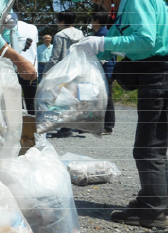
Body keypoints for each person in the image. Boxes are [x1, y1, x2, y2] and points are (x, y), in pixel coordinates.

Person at [72, 0, 168, 228]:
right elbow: (107, 47)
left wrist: (101, 43)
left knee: (147, 149)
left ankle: (152, 211)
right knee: (154, 145)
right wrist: (84, 50)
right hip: (162, 75)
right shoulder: (121, 12)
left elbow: (145, 40)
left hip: (164, 74)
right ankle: (162, 200)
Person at [45, 10, 84, 138]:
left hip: (63, 71)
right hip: (77, 69)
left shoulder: (60, 35)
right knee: (73, 97)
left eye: (57, 21)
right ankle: (73, 124)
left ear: (62, 22)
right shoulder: (81, 34)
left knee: (61, 99)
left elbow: (55, 57)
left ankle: (65, 127)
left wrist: (47, 71)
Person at [91, 11, 116, 135]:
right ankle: (102, 124)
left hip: (106, 69)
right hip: (105, 68)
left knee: (106, 97)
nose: (91, 23)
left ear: (96, 21)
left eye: (92, 20)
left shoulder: (102, 35)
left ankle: (108, 126)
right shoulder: (105, 33)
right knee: (101, 97)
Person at [16, 20, 38, 115]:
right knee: (31, 101)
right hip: (32, 67)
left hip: (16, 68)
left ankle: (19, 127)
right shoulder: (33, 28)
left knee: (15, 101)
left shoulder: (7, 26)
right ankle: (32, 128)